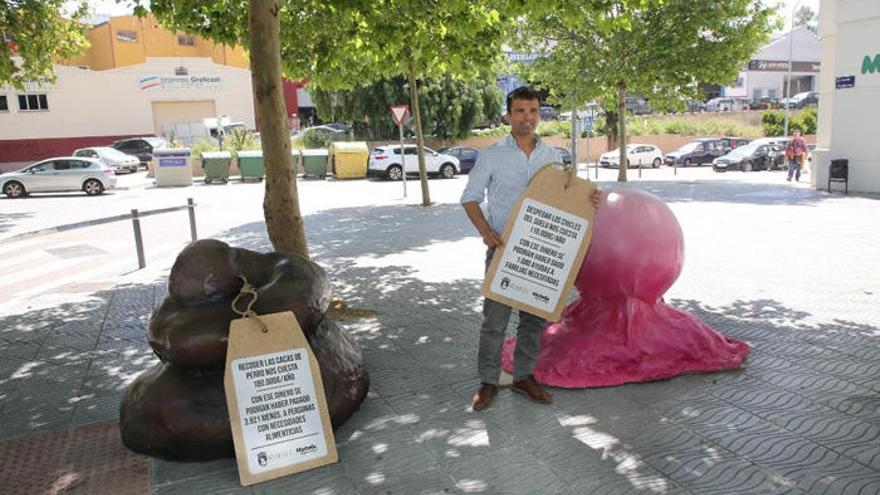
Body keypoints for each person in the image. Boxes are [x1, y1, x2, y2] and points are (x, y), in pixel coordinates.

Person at [460, 86, 600, 411]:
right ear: (508, 116)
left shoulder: (553, 157)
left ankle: (524, 376)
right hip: (504, 249)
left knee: (534, 321)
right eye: (521, 111)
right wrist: (486, 232)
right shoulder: (492, 154)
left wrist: (591, 199)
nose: (528, 118)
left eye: (534, 111)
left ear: (540, 114)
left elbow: (567, 201)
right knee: (494, 322)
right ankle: (488, 382)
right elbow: (469, 198)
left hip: (542, 254)